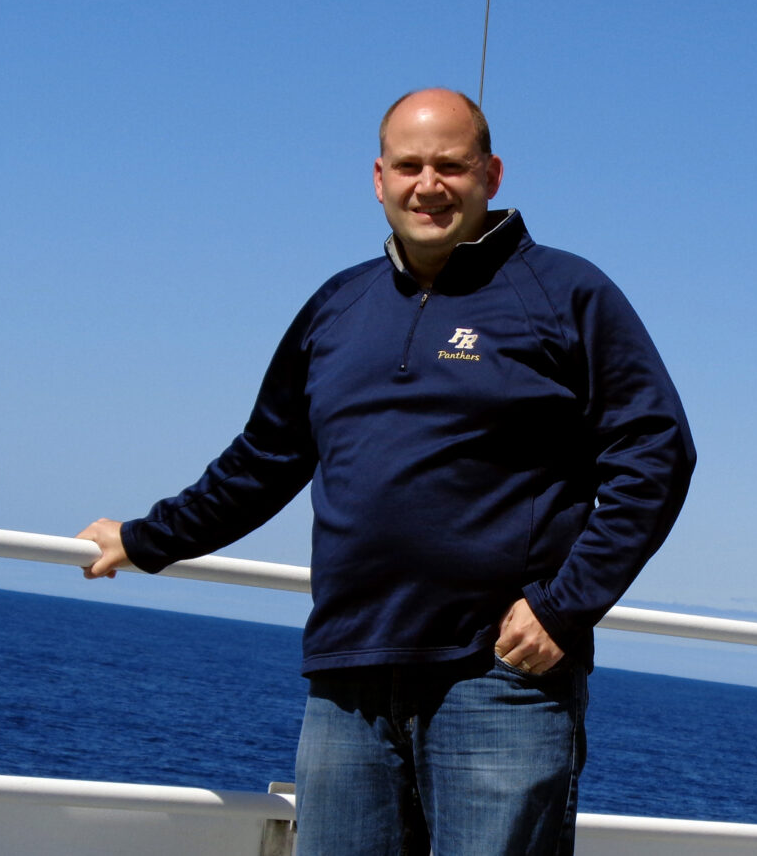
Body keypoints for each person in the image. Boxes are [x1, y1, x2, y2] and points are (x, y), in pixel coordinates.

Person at [78, 87, 695, 855]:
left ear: (493, 174)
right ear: (378, 177)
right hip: (348, 677)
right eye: (408, 166)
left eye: (451, 165)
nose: (427, 185)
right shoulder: (338, 306)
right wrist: (146, 538)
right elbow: (265, 457)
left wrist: (566, 608)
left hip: (497, 676)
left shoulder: (567, 294)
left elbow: (656, 452)